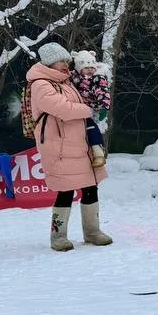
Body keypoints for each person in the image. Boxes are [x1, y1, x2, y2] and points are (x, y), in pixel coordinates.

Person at [28, 42, 112, 251]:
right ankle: (59, 236)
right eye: (61, 61)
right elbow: (62, 109)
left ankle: (93, 231)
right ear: (49, 63)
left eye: (67, 60)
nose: (66, 64)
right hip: (61, 148)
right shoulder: (41, 84)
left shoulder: (66, 81)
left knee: (91, 187)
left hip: (80, 145)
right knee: (65, 190)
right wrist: (89, 110)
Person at [70, 50, 111, 168]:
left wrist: (104, 107)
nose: (90, 70)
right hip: (76, 108)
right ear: (79, 68)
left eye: (92, 67)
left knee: (90, 127)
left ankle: (98, 151)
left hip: (92, 108)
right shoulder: (74, 77)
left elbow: (103, 92)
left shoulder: (97, 78)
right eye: (86, 67)